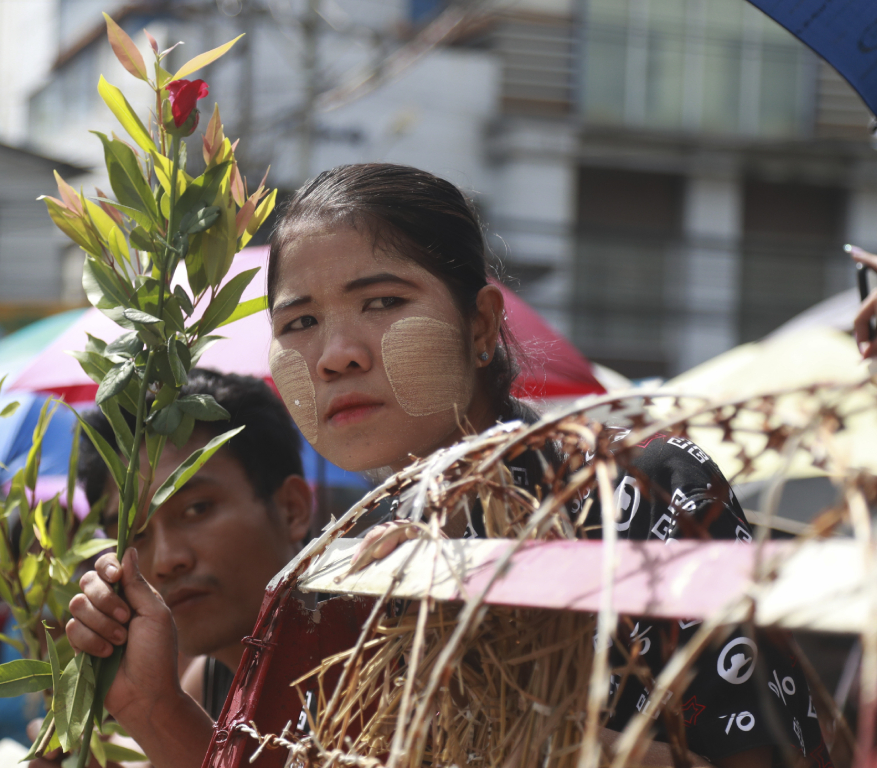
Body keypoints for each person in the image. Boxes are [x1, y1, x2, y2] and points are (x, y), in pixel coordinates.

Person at [67, 164, 829, 768]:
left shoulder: (639, 494)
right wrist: (152, 707)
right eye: (300, 322)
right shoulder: (343, 572)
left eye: (383, 302)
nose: (336, 355)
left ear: (482, 326)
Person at [53, 369, 310, 768]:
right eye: (136, 535)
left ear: (291, 508)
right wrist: (146, 708)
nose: (167, 560)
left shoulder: (372, 658)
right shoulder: (211, 682)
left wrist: (158, 711)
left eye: (197, 509)